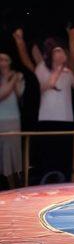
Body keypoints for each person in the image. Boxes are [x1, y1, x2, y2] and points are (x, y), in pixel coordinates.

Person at [14, 28, 74, 182]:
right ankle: (46, 183)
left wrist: (68, 68)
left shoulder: (68, 72)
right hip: (48, 118)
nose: (61, 54)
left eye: (62, 51)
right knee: (48, 155)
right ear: (51, 54)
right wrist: (58, 70)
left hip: (66, 119)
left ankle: (63, 182)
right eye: (57, 51)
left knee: (63, 155)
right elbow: (44, 87)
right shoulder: (42, 67)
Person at [0, 52, 25, 188]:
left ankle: (16, 187)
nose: (2, 62)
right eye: (0, 59)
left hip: (13, 119)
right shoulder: (13, 78)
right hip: (1, 120)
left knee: (14, 155)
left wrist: (15, 79)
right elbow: (2, 94)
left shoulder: (17, 76)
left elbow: (20, 93)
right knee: (3, 155)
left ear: (10, 61)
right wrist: (11, 79)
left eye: (5, 59)